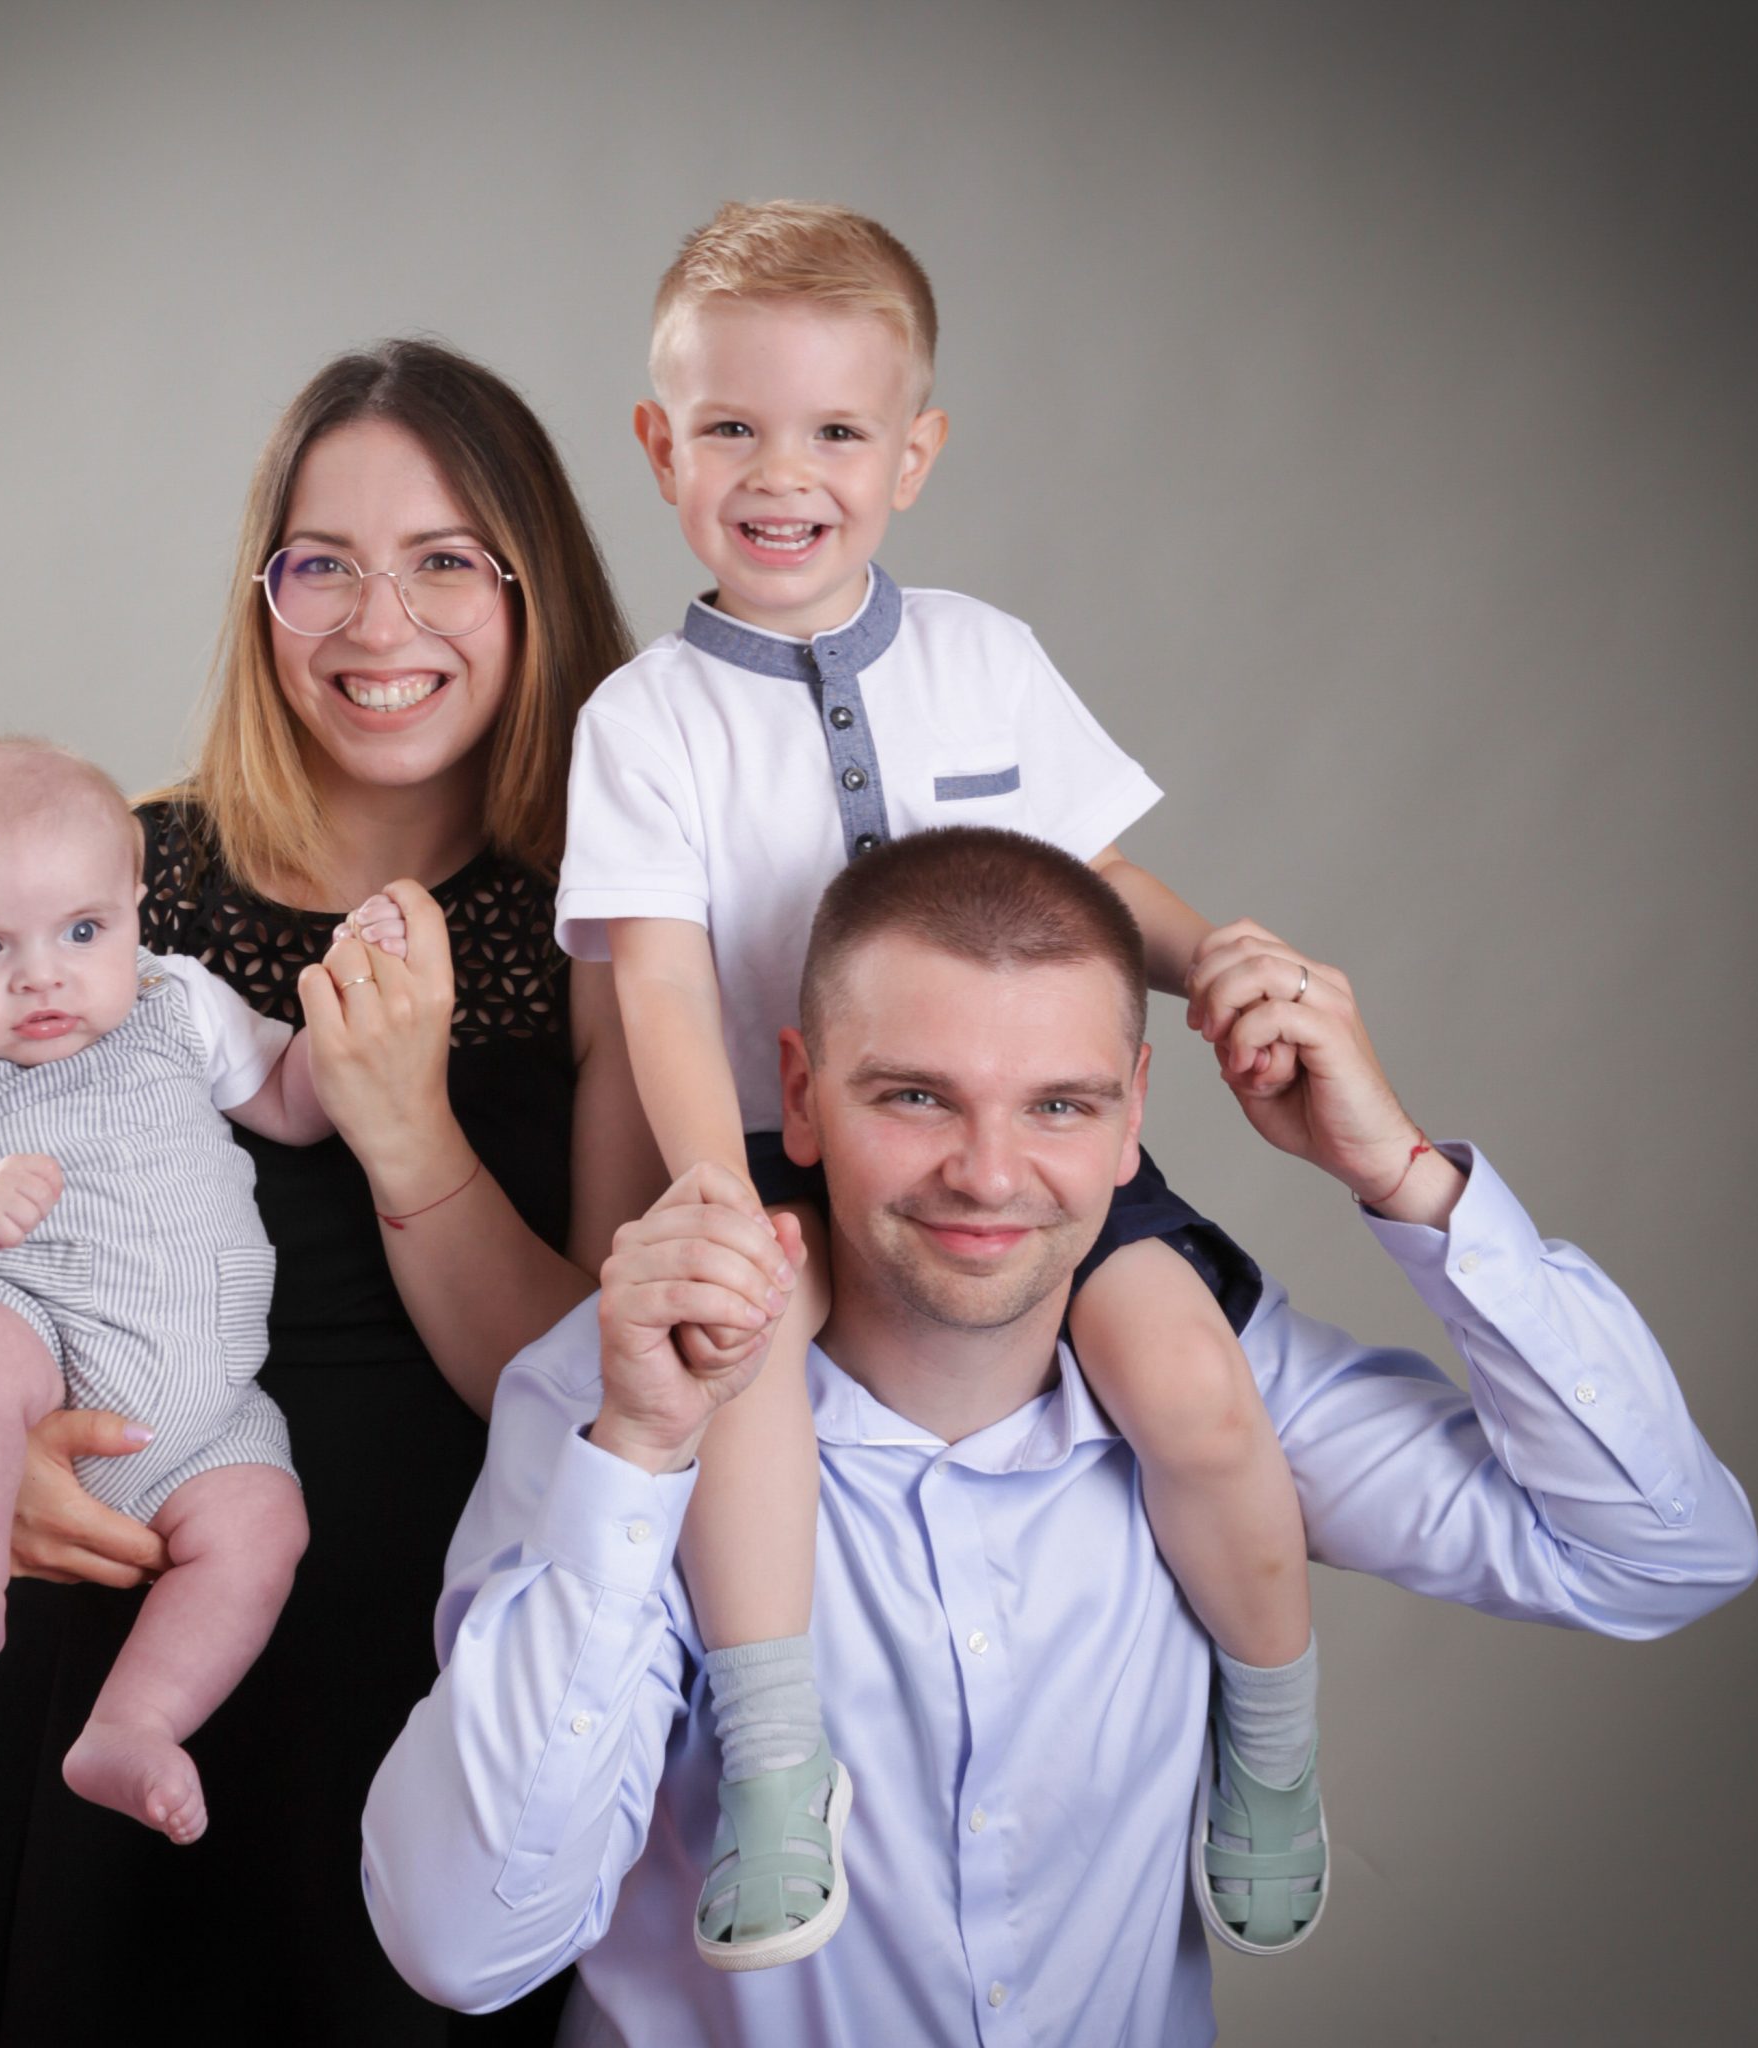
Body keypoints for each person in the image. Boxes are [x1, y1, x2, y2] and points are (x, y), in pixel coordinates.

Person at [0, 340, 660, 2043]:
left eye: (446, 559)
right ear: (264, 596)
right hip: (119, 1649)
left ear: (533, 588)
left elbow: (602, 1377)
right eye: (322, 563)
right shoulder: (118, 884)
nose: (377, 623)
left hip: (455, 1686)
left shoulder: (610, 920)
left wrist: (411, 1134)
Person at [364, 826, 1758, 2046]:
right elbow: (466, 1948)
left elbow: (1663, 1554)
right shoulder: (624, 1396)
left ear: (1132, 1115)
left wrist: (1399, 1173)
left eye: (1059, 1106)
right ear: (799, 1095)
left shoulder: (1217, 1392)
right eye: (915, 1096)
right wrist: (646, 1455)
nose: (989, 1173)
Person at [556, 198, 1320, 1965]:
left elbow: (1100, 885)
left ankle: (1268, 1741)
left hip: (1003, 1135)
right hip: (776, 1137)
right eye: (733, 427)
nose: (783, 472)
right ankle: (774, 1755)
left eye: (836, 429)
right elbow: (663, 980)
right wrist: (720, 1192)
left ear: (915, 452)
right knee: (747, 1379)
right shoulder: (646, 719)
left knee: (1192, 1383)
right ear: (664, 445)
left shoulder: (983, 651)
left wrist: (1221, 970)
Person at [0, 738, 333, 1843]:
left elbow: (295, 1102)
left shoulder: (179, 1000)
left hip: (205, 1413)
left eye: (83, 931)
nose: (41, 975)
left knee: (263, 1525)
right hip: (33, 1345)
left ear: (135, 912)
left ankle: (135, 1724)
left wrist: (352, 1015)